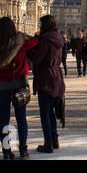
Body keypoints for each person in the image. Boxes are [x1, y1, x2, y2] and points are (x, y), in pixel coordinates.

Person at [0, 17, 38, 160]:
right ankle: (23, 150)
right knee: (21, 119)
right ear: (13, 27)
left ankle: (6, 151)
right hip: (18, 83)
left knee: (4, 119)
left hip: (0, 86)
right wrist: (22, 35)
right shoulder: (19, 43)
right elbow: (35, 41)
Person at [28, 15, 65, 154]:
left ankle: (48, 143)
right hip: (56, 77)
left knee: (45, 113)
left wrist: (27, 50)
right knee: (51, 112)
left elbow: (37, 59)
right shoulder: (58, 38)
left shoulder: (45, 40)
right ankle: (54, 140)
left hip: (45, 79)